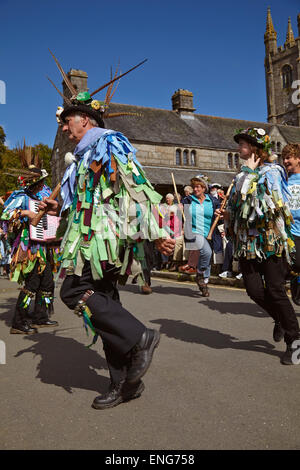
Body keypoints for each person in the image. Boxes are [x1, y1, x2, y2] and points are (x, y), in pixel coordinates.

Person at [41, 54, 175, 409]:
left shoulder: (107, 143)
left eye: (67, 122)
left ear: (84, 119)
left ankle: (141, 338)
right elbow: (83, 203)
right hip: (89, 240)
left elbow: (136, 187)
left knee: (72, 292)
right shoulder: (84, 154)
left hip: (105, 240)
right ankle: (124, 383)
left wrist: (155, 230)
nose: (64, 128)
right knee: (105, 307)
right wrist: (59, 209)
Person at [219, 127, 300, 365]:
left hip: (269, 240)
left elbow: (274, 205)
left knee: (275, 290)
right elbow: (238, 205)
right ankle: (282, 319)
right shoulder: (241, 174)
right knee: (254, 290)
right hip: (248, 243)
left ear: (255, 149)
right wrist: (226, 214)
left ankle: (294, 340)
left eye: (243, 145)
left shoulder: (272, 171)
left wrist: (252, 175)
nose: (239, 148)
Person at [1, 145, 59, 334]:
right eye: (39, 182)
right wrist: (25, 212)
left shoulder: (44, 196)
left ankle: (41, 316)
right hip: (29, 247)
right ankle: (18, 322)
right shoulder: (21, 197)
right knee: (32, 285)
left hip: (44, 246)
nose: (42, 184)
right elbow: (6, 216)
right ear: (31, 183)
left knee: (48, 284)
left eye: (42, 182)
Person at [182, 175, 222, 297]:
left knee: (206, 258)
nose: (195, 189)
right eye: (194, 187)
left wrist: (219, 214)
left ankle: (203, 283)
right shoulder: (188, 200)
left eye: (198, 187)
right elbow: (180, 214)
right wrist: (179, 209)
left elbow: (219, 218)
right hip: (193, 232)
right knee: (207, 252)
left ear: (204, 188)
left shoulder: (212, 201)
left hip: (209, 234)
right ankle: (199, 273)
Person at [282, 143, 300, 305]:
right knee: (296, 263)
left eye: (288, 157)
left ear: (298, 158)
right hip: (291, 230)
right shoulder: (283, 179)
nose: (285, 161)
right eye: (284, 158)